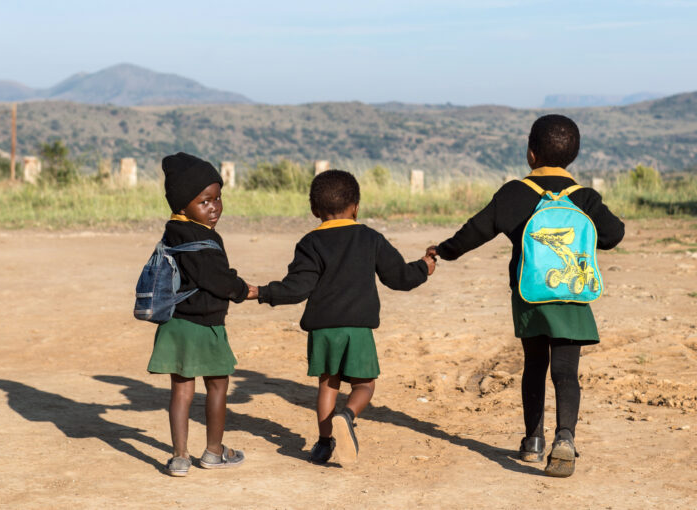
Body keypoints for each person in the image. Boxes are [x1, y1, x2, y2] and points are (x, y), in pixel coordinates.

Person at [426, 114, 625, 477]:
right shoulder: (584, 197)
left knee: (534, 365)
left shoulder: (514, 193)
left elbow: (475, 231)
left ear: (531, 153)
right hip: (572, 294)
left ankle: (533, 440)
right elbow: (613, 235)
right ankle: (564, 438)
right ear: (574, 156)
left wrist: (444, 250)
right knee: (566, 371)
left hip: (529, 295)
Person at [255, 169, 435, 465]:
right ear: (356, 206)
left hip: (323, 329)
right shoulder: (369, 238)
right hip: (357, 328)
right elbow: (399, 277)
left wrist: (262, 292)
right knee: (364, 385)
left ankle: (324, 444)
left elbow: (296, 288)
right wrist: (424, 267)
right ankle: (347, 415)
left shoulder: (309, 243)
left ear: (314, 210)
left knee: (328, 383)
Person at [146, 152, 259, 476]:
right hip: (206, 326)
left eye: (218, 198)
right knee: (218, 386)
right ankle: (213, 451)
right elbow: (218, 280)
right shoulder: (206, 238)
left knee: (181, 390)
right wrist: (242, 289)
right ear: (183, 205)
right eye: (205, 201)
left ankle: (179, 456)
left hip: (174, 325)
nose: (214, 208)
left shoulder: (172, 232)